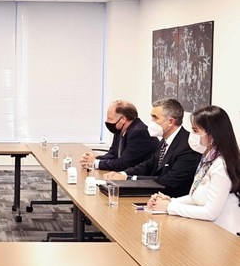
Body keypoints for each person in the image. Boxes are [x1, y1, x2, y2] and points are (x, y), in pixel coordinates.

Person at [147, 105, 240, 234]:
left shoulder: (221, 165)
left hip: (222, 233)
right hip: (205, 231)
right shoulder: (207, 158)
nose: (192, 135)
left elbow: (210, 213)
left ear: (212, 134)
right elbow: (196, 197)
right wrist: (169, 201)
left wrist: (170, 207)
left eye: (196, 131)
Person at [104, 98, 202, 197]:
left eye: (155, 118)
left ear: (170, 122)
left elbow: (169, 181)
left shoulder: (187, 146)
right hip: (155, 197)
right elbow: (148, 165)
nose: (152, 122)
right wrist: (123, 174)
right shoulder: (165, 140)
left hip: (171, 201)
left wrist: (129, 178)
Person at [79, 100, 158, 171]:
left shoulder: (139, 133)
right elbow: (113, 154)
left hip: (142, 180)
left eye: (110, 118)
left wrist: (96, 163)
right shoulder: (120, 129)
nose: (107, 121)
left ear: (122, 119)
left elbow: (123, 164)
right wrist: (92, 159)